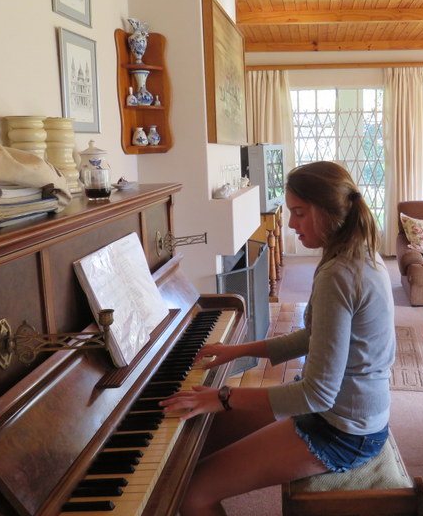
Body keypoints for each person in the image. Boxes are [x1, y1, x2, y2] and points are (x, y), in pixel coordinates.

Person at [160, 161, 396, 515]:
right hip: (344, 413)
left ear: (328, 212)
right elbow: (314, 337)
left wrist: (223, 396)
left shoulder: (340, 274)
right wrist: (235, 351)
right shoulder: (356, 252)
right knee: (199, 437)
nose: (291, 224)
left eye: (299, 213)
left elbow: (316, 395)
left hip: (344, 431)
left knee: (192, 492)